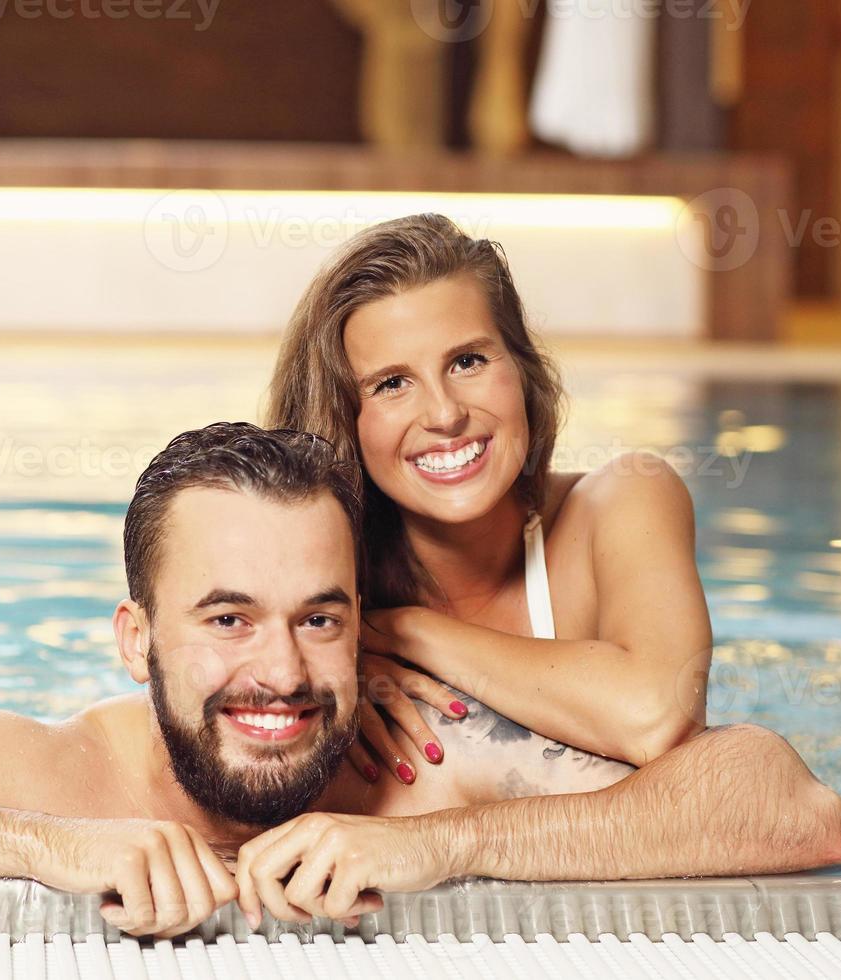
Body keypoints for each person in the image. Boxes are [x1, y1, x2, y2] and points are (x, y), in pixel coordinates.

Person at [0, 424, 841, 941]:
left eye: (320, 618)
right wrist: (41, 848)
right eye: (225, 619)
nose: (281, 674)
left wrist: (462, 848)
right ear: (135, 638)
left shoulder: (422, 765)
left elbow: (786, 803)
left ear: (369, 628)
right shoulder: (64, 778)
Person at [267, 212, 722, 785]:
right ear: (342, 421)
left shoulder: (624, 500)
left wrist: (409, 632)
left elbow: (660, 717)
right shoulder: (309, 567)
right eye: (391, 384)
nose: (445, 414)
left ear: (521, 370)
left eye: (468, 361)